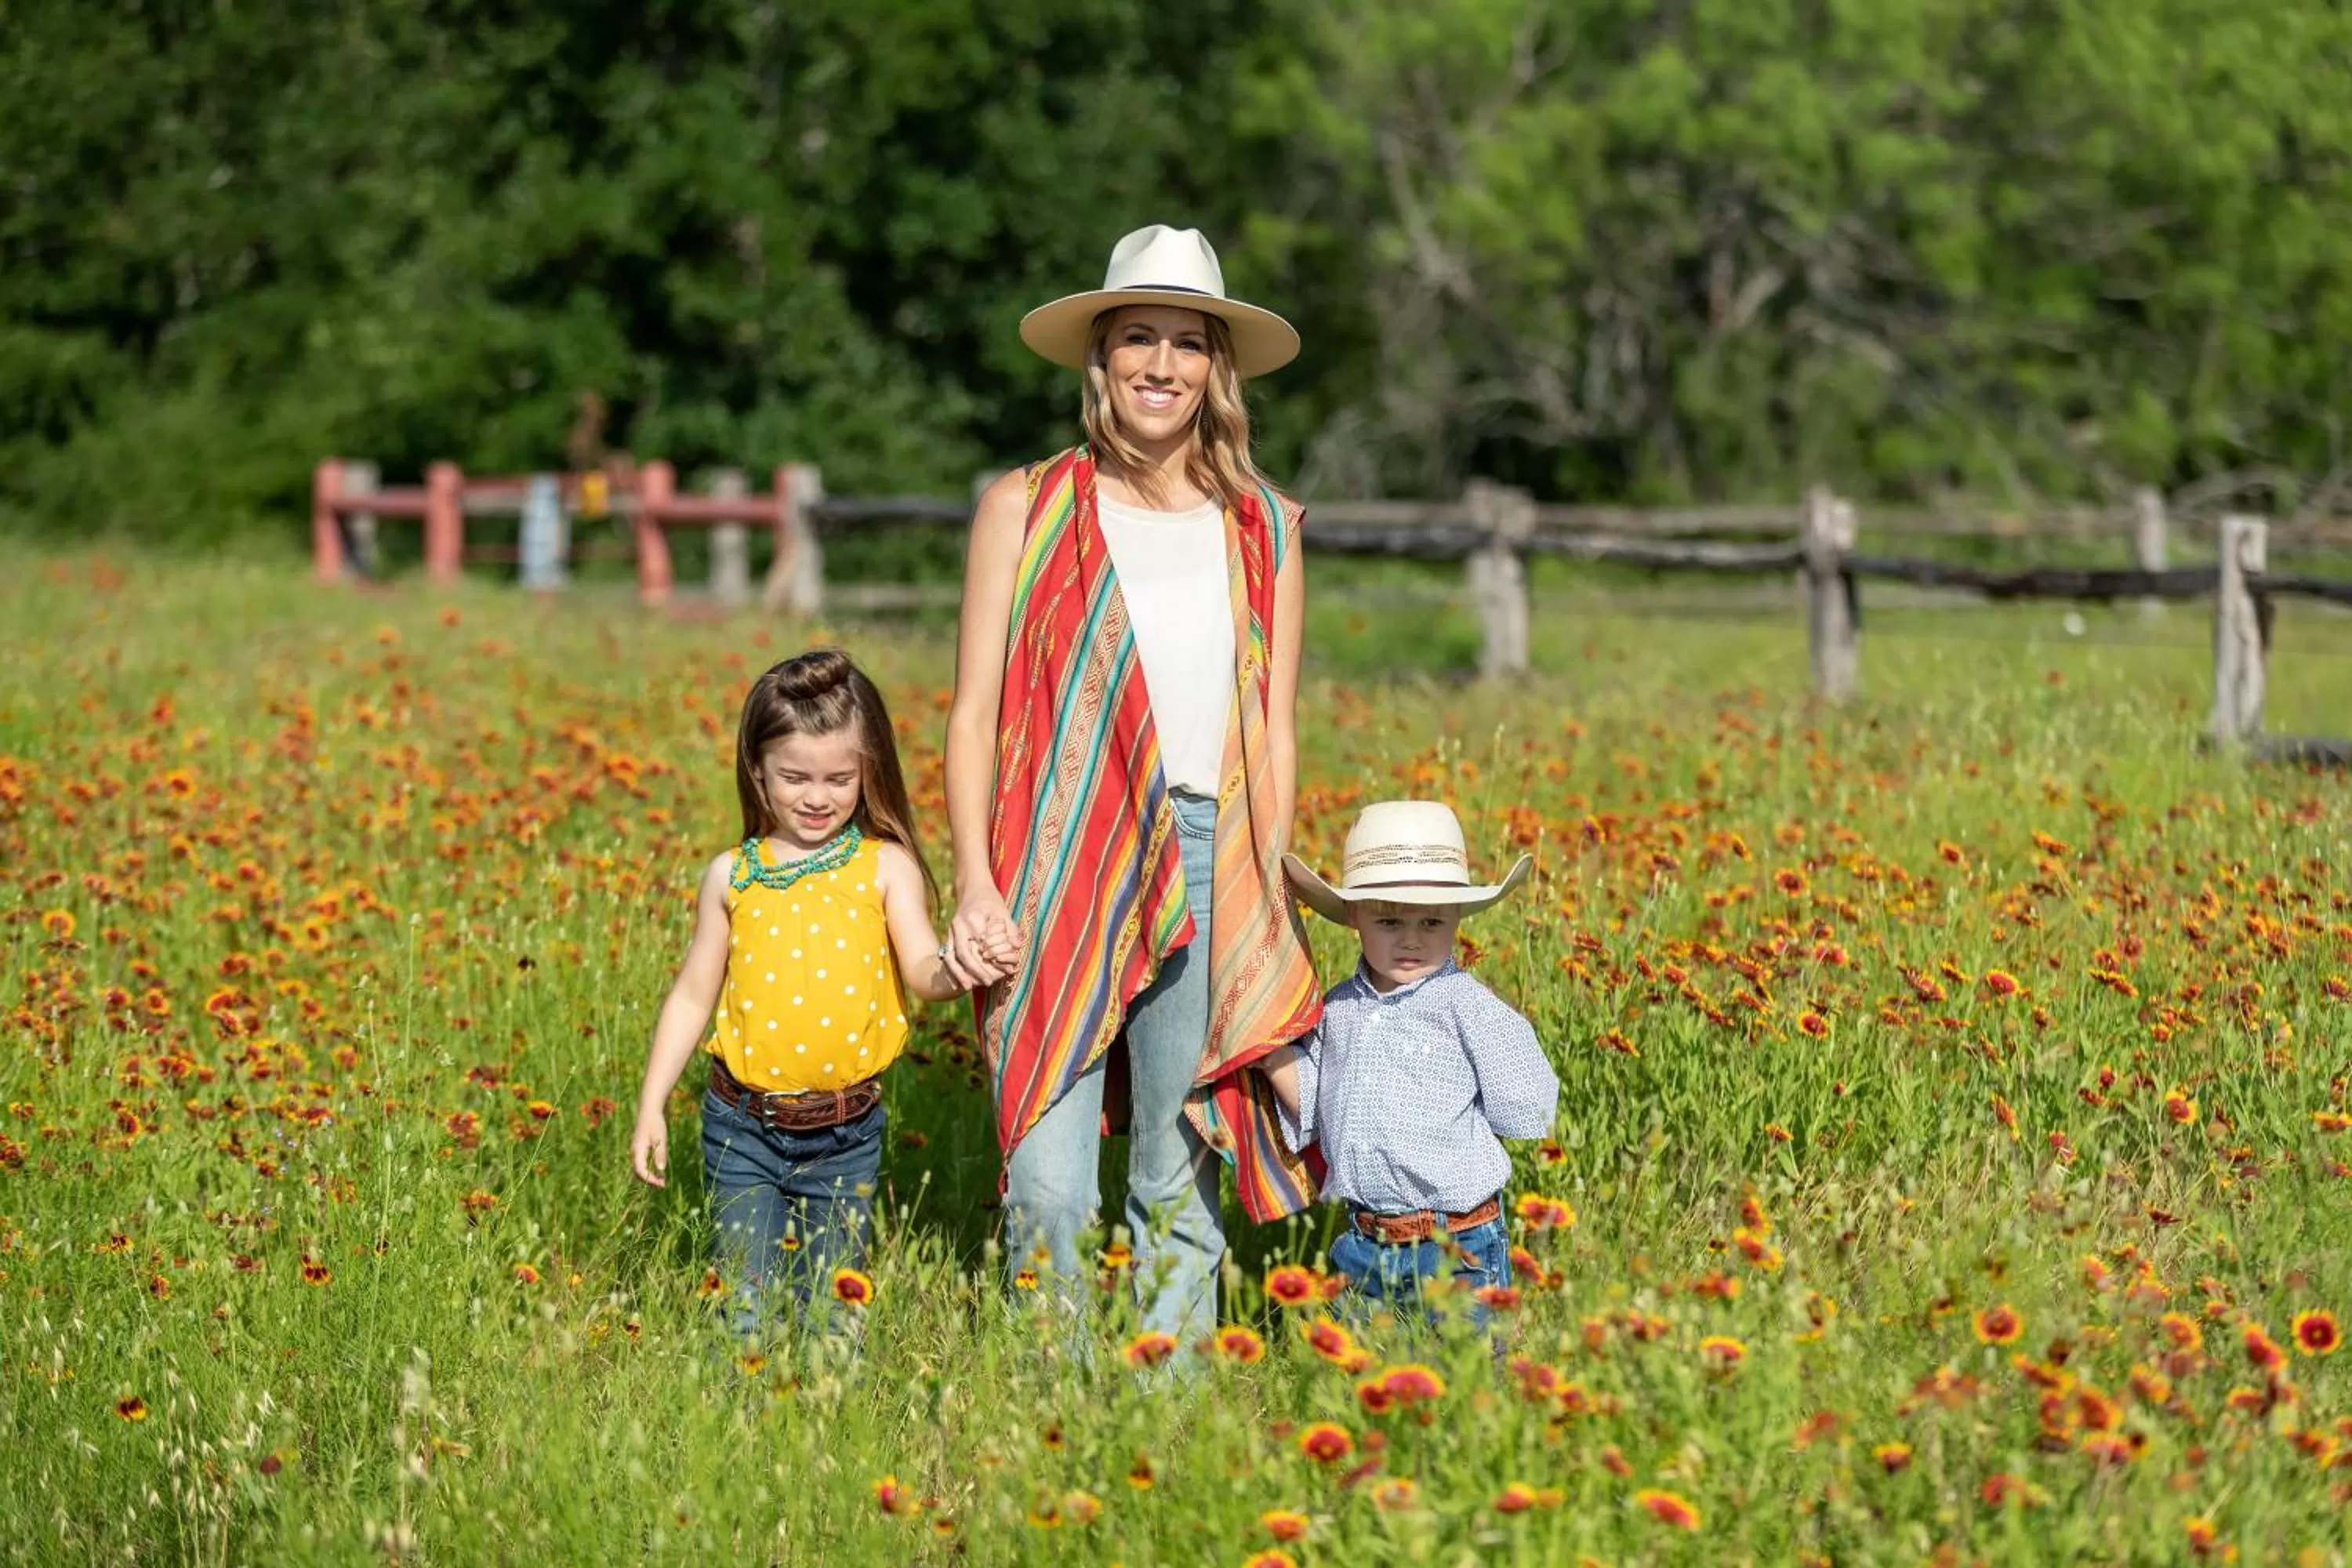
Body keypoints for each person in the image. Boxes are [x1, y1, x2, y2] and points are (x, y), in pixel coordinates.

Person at [940, 224, 1323, 1344]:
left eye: (1187, 342)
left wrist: (1268, 897)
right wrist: (973, 884)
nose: (1161, 364)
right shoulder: (1027, 504)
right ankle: (1046, 1424)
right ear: (1099, 362)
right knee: (1049, 1182)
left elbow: (1277, 729)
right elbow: (972, 713)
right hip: (1051, 856)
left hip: (1211, 855)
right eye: (1136, 338)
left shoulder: (1267, 529)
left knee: (1177, 1165)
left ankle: (1166, 1426)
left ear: (1217, 370)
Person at [628, 649, 1000, 1341]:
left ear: (868, 773)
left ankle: (830, 1430)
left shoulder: (885, 868)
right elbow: (690, 998)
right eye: (794, 776)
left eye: (839, 778)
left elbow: (922, 969)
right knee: (745, 1304)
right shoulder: (732, 876)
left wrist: (960, 967)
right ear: (757, 772)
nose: (816, 796)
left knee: (836, 1310)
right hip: (740, 1126)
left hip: (846, 1133)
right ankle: (743, 1434)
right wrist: (653, 1102)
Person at [1264, 800, 1559, 1329]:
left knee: (1460, 1382)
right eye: (1389, 920)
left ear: (1457, 919)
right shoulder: (1336, 1010)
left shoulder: (1465, 1004)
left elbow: (1525, 1104)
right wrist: (1270, 1056)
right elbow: (1312, 1101)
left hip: (1455, 1239)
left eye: (1430, 921)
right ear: (1354, 917)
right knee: (1359, 1376)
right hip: (1363, 1240)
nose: (1411, 938)